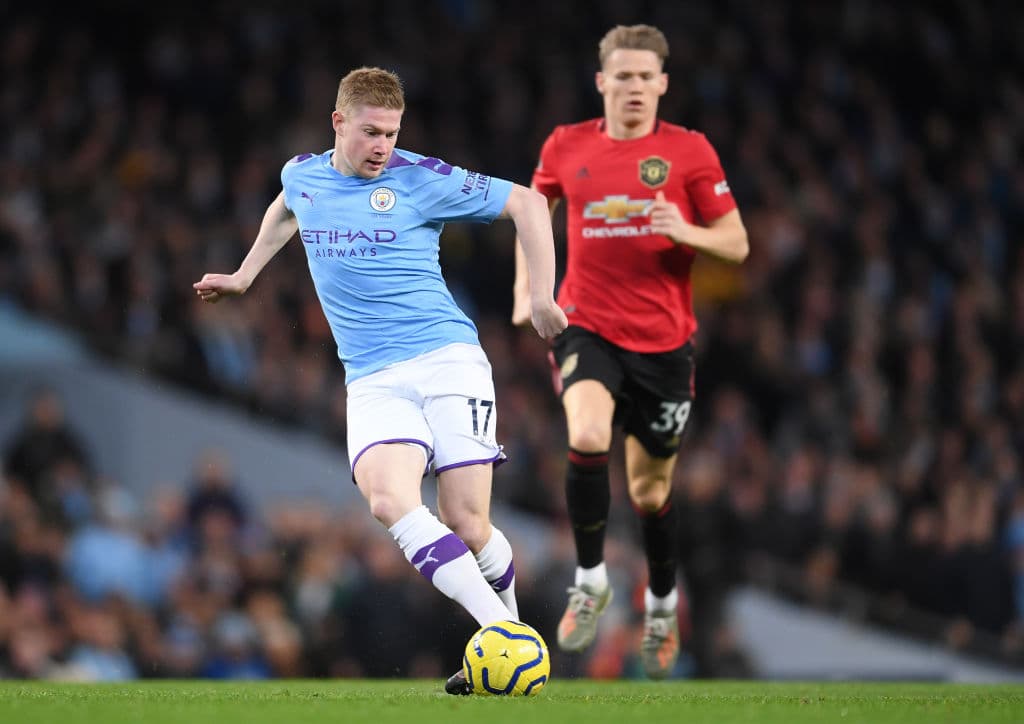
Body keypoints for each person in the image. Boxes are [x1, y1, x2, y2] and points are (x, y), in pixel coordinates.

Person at [193, 66, 567, 694]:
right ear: (338, 122)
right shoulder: (302, 173)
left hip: (446, 359)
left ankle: (509, 640)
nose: (382, 148)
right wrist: (245, 274)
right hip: (371, 378)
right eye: (371, 133)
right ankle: (505, 637)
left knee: (467, 524)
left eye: (392, 134)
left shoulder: (419, 178)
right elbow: (286, 209)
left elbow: (529, 203)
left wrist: (540, 296)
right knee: (389, 500)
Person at [512, 24, 749, 679]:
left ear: (663, 83)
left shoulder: (691, 152)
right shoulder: (566, 145)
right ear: (602, 82)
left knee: (650, 492)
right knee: (587, 434)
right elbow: (534, 211)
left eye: (647, 76)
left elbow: (737, 243)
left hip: (665, 346)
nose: (636, 86)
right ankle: (590, 583)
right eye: (624, 76)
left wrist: (690, 231)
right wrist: (527, 289)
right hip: (586, 325)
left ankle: (665, 605)